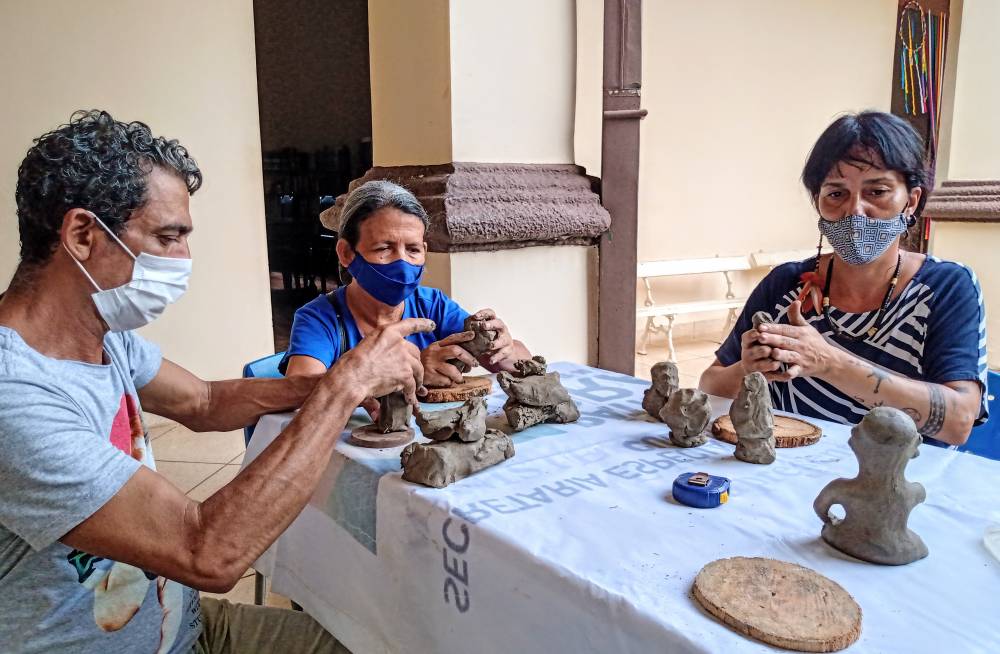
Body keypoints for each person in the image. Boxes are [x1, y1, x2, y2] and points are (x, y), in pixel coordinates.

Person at [0, 110, 431, 653]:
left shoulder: (103, 338)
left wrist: (328, 383)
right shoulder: (14, 395)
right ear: (83, 235)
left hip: (182, 625)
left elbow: (204, 402)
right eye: (168, 237)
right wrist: (343, 386)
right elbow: (208, 551)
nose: (184, 259)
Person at [700, 111, 987, 447]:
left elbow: (958, 421)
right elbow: (710, 384)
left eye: (877, 192)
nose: (855, 211)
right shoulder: (787, 285)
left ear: (911, 201)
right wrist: (748, 368)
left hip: (896, 488)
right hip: (786, 476)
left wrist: (827, 361)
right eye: (836, 194)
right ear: (818, 203)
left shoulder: (946, 288)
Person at [281, 181, 531, 403]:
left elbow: (521, 364)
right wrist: (410, 371)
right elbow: (298, 394)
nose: (402, 263)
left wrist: (503, 346)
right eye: (383, 248)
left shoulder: (433, 306)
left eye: (413, 250)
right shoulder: (319, 319)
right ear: (346, 253)